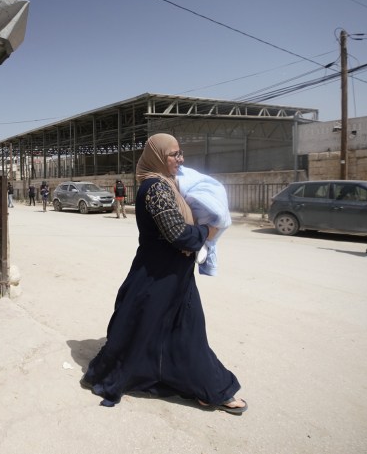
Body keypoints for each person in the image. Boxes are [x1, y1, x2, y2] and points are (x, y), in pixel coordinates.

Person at [81, 133, 247, 415]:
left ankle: (200, 385)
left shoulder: (168, 184)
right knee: (178, 331)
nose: (180, 159)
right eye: (173, 154)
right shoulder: (156, 187)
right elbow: (178, 234)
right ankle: (213, 389)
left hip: (171, 275)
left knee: (172, 330)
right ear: (157, 156)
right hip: (159, 275)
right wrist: (209, 231)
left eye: (180, 153)